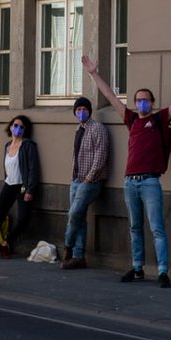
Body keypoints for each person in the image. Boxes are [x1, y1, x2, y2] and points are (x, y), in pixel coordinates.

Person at [82, 50, 171, 288]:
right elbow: (110, 95)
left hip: (149, 182)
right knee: (135, 227)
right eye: (138, 99)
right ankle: (137, 268)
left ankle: (162, 271)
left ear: (152, 102)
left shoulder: (159, 119)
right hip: (130, 182)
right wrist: (93, 74)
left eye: (145, 99)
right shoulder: (131, 119)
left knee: (157, 227)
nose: (141, 102)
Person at [0, 115, 41, 260]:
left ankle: (6, 243)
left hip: (22, 186)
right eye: (15, 125)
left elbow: (33, 169)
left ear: (25, 130)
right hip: (9, 184)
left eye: (21, 127)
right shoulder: (7, 146)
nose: (18, 129)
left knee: (23, 219)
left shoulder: (28, 145)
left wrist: (30, 189)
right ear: (10, 127)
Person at [61, 96, 108, 270]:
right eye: (78, 110)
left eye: (84, 109)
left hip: (90, 181)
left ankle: (67, 246)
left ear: (90, 111)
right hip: (76, 179)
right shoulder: (78, 129)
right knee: (79, 216)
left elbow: (101, 155)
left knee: (74, 214)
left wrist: (89, 178)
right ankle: (79, 256)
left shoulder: (97, 129)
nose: (81, 113)